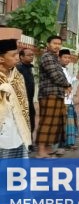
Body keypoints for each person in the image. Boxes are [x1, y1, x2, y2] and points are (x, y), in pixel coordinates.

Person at [36, 35, 71, 159]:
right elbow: (55, 75)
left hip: (56, 94)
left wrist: (66, 86)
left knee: (54, 123)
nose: (57, 46)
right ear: (48, 44)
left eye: (59, 43)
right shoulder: (47, 57)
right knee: (47, 122)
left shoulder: (54, 58)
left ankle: (47, 148)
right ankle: (40, 151)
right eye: (54, 43)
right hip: (49, 94)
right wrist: (67, 84)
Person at [0, 28, 31, 159]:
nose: (17, 58)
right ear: (1, 58)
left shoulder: (17, 76)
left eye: (17, 54)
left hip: (18, 128)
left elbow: (24, 102)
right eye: (13, 55)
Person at [59, 49, 79, 150]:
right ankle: (64, 143)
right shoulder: (58, 70)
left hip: (69, 100)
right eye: (65, 57)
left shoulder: (65, 70)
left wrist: (76, 78)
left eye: (68, 58)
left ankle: (70, 143)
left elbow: (69, 81)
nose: (67, 60)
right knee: (64, 123)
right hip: (63, 100)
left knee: (71, 122)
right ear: (59, 58)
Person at [16, 48, 35, 140]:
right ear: (21, 57)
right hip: (22, 101)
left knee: (31, 122)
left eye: (32, 55)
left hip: (30, 100)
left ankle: (29, 142)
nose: (31, 56)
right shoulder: (19, 68)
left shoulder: (29, 68)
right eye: (29, 55)